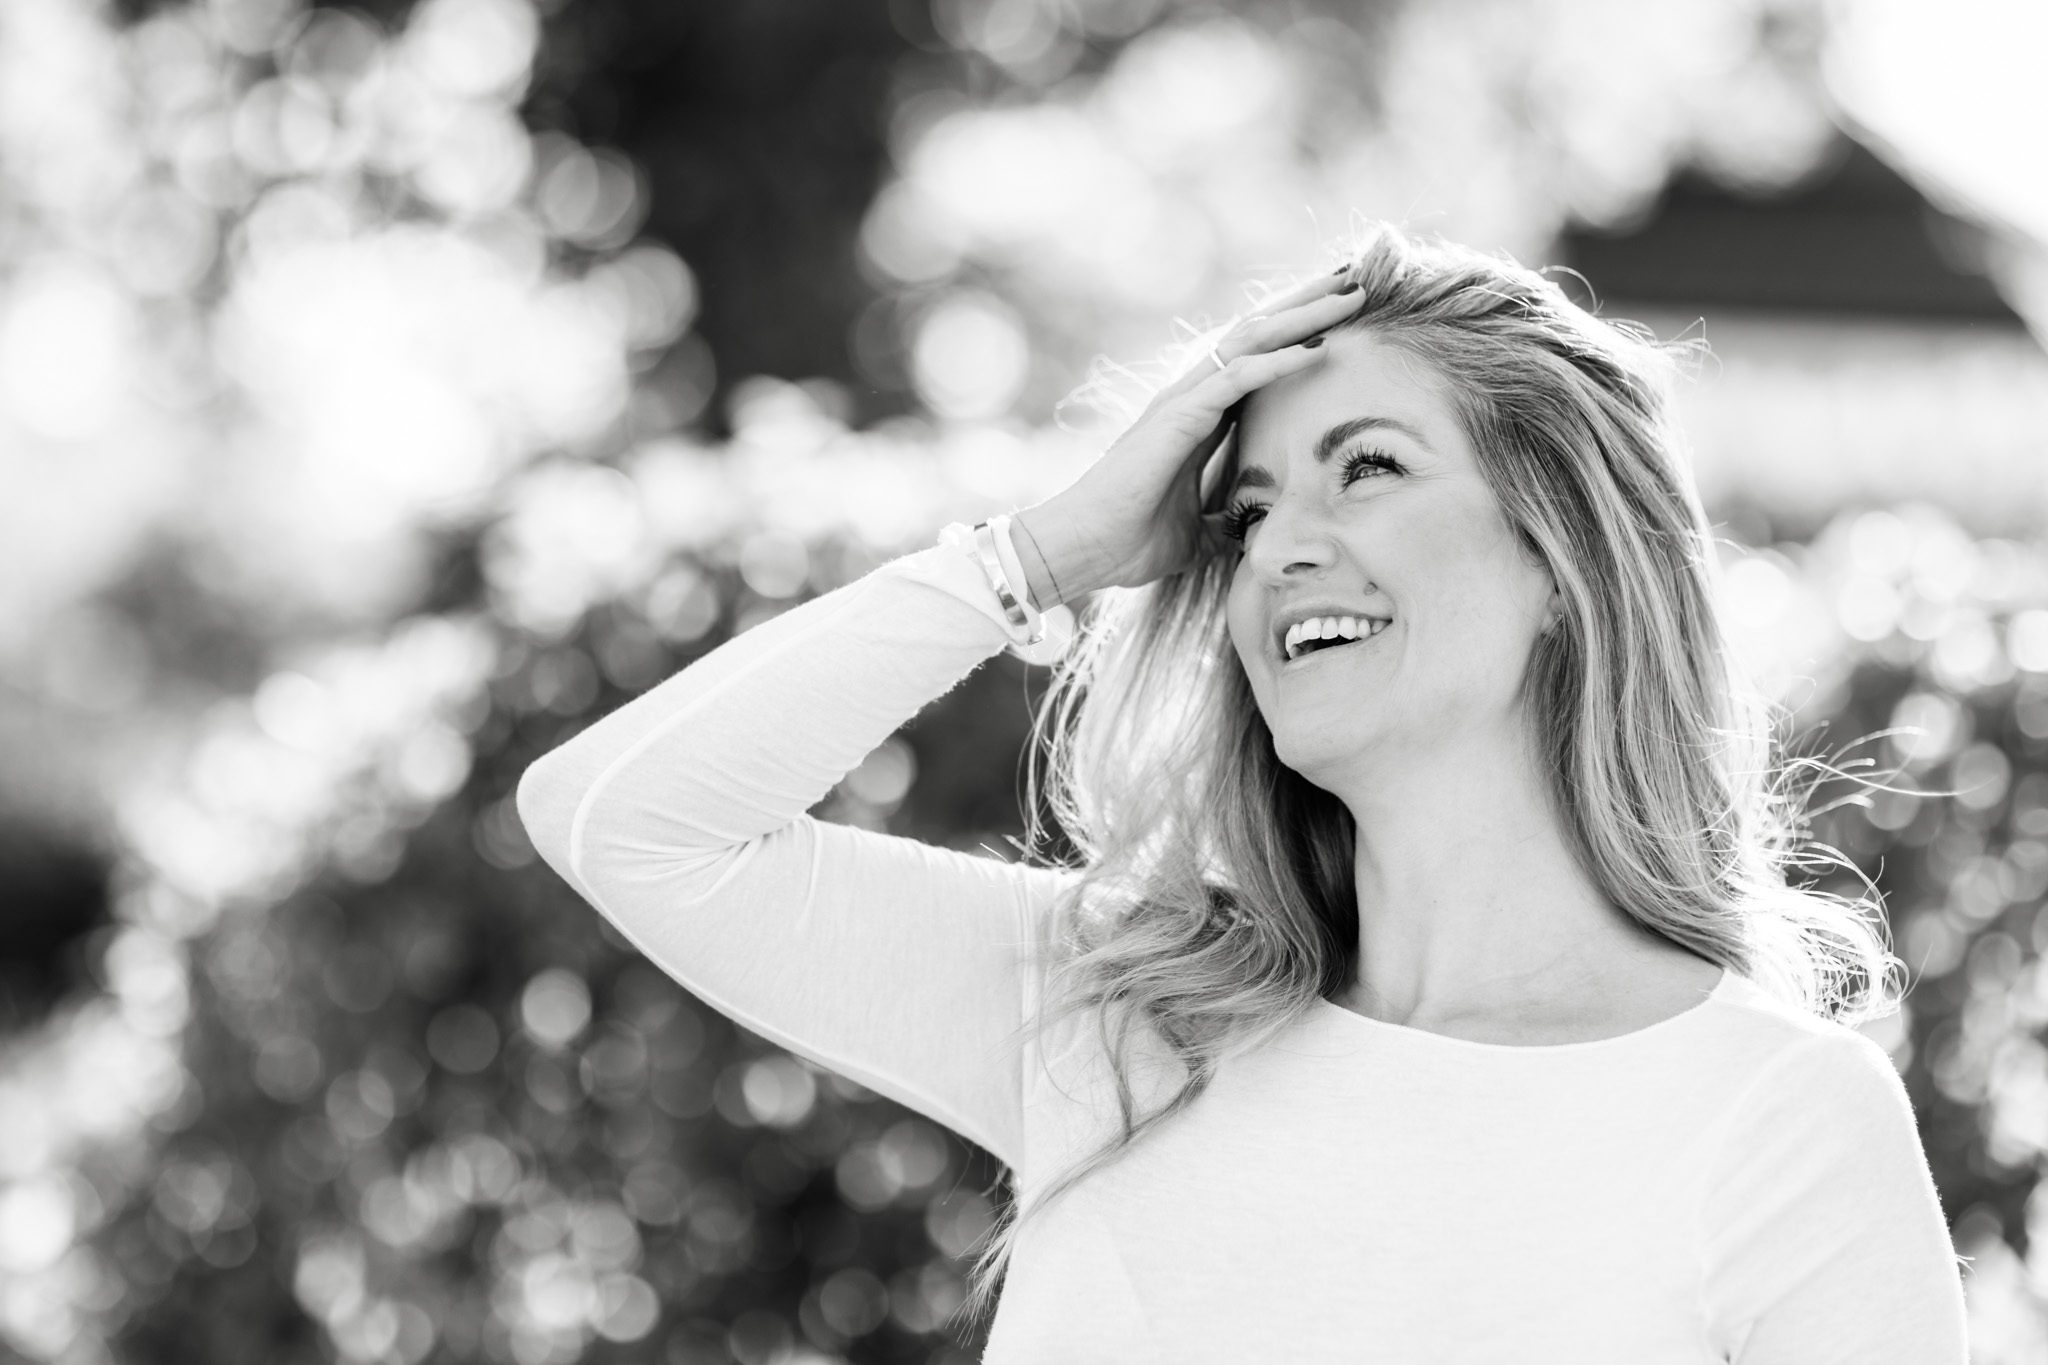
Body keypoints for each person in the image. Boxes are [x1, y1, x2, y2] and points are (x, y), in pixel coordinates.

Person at [516, 224, 1971, 1362]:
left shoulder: (1774, 1119)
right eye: (1249, 507)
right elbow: (624, 821)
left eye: (1370, 468)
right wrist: (1045, 553)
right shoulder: (1127, 1015)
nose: (1278, 550)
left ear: (1561, 565)